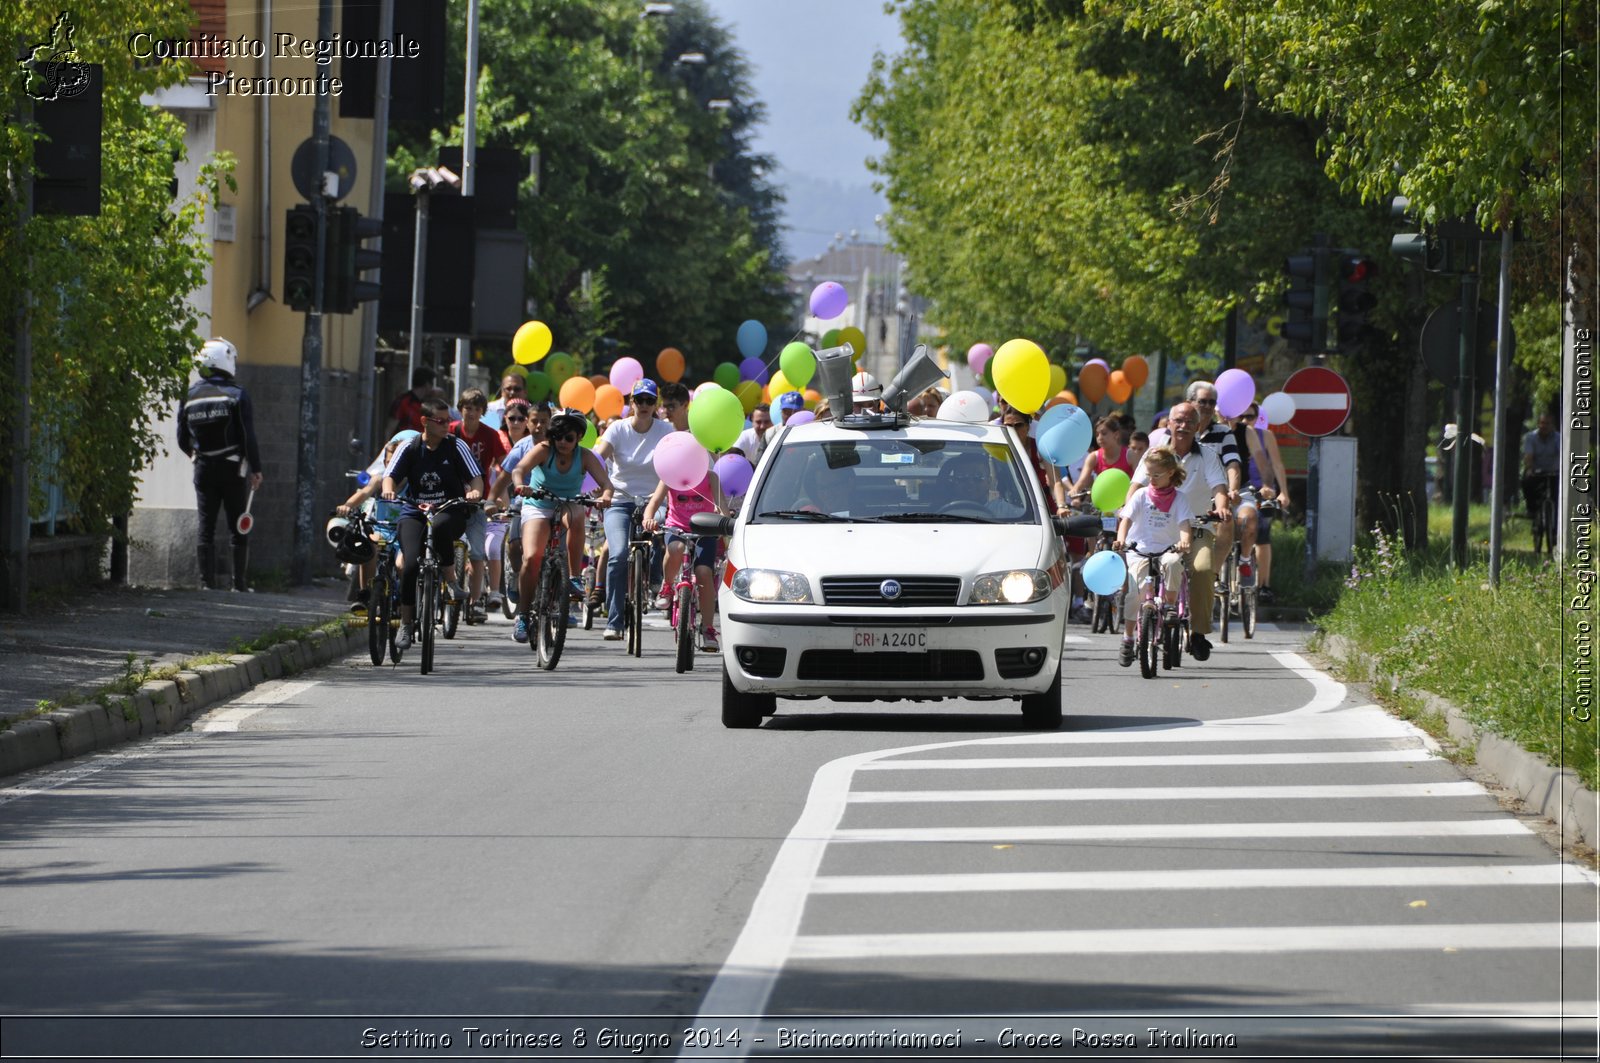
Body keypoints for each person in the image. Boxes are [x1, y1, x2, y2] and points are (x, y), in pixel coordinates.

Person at [1127, 401, 1229, 660]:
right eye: (1178, 421)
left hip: (1195, 527)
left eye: (1189, 422)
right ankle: (1139, 626)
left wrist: (1222, 508)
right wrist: (1126, 512)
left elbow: (1219, 488)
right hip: (1156, 529)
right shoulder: (1156, 453)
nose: (1183, 426)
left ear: (1198, 426)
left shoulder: (1207, 455)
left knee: (1203, 568)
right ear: (1169, 423)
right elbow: (1136, 485)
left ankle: (1198, 633)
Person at [381, 397, 483, 657]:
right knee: (410, 565)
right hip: (414, 511)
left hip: (450, 510)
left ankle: (450, 582)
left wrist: (474, 493)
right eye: (441, 421)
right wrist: (390, 491)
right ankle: (405, 624)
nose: (447, 425)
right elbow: (389, 477)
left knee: (439, 527)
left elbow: (476, 478)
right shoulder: (410, 447)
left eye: (448, 420)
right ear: (424, 422)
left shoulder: (456, 446)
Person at [508, 409, 613, 644]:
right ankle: (523, 615)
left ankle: (574, 577)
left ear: (578, 438)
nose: (563, 442)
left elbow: (607, 483)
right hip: (538, 504)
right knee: (532, 557)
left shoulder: (585, 457)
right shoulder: (544, 450)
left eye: (569, 438)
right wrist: (519, 485)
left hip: (569, 503)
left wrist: (606, 496)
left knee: (576, 515)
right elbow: (519, 470)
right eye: (559, 436)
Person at [176, 338, 264, 592]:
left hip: (203, 468)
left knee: (207, 525)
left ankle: (206, 583)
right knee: (238, 525)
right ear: (224, 359)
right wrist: (256, 469)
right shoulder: (237, 395)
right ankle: (239, 584)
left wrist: (195, 454)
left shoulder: (189, 396)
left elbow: (183, 437)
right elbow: (248, 436)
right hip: (232, 469)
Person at [593, 379, 674, 641]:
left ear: (656, 404)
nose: (645, 405)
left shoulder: (666, 430)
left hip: (654, 502)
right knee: (616, 555)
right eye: (640, 400)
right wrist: (597, 485)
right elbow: (596, 458)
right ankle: (614, 621)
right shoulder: (617, 429)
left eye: (650, 400)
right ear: (632, 403)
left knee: (660, 531)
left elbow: (678, 460)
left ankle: (654, 578)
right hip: (620, 500)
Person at [1113, 446, 1196, 667]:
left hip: (1166, 550)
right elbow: (1127, 520)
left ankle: (1169, 605)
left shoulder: (1180, 499)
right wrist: (1121, 539)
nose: (1152, 479)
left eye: (1156, 475)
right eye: (1149, 475)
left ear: (1170, 472)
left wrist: (1185, 541)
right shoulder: (1141, 495)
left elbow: (1185, 525)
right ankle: (1129, 637)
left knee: (1172, 563)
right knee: (1133, 595)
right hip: (1139, 550)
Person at [644, 454, 726, 652]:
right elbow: (654, 502)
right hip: (676, 528)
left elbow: (723, 507)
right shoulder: (669, 477)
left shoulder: (711, 477)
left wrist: (725, 519)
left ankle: (708, 629)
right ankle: (667, 585)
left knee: (704, 573)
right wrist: (648, 518)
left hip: (705, 528)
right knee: (676, 549)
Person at [335, 429, 420, 609]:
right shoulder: (379, 480)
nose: (393, 467)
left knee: (401, 564)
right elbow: (364, 493)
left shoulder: (414, 481)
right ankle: (364, 593)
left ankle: (405, 598)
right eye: (389, 462)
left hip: (404, 531)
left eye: (397, 462)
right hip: (381, 529)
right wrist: (348, 506)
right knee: (368, 547)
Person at [450, 388, 509, 622]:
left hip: (479, 499)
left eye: (476, 409)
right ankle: (442, 592)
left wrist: (500, 492)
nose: (471, 413)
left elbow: (502, 465)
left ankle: (475, 603)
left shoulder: (490, 435)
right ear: (460, 409)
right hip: (451, 496)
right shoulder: (452, 432)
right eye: (467, 408)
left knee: (477, 552)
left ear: (482, 412)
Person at [1232, 402, 1291, 603]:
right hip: (1235, 489)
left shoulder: (1265, 436)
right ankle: (1230, 584)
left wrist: (1282, 492)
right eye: (1242, 417)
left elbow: (1276, 463)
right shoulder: (1231, 434)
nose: (1245, 421)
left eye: (1250, 417)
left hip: (1261, 491)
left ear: (1258, 418)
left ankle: (1264, 585)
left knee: (1263, 535)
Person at [1070, 414, 1135, 501]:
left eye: (1104, 433)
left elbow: (1138, 481)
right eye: (1097, 434)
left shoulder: (1130, 455)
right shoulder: (1093, 457)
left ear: (1116, 435)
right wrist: (1075, 490)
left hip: (1126, 504)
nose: (1100, 438)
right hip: (1102, 503)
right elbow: (1082, 481)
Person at [1522, 412, 1559, 557]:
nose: (1544, 426)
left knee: (1557, 497)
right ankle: (1532, 509)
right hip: (1537, 472)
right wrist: (1530, 469)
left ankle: (1555, 528)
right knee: (1526, 481)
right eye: (1542, 423)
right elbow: (1528, 457)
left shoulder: (1558, 438)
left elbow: (1562, 454)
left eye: (1547, 423)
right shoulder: (1531, 438)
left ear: (1552, 425)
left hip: (1554, 473)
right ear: (1538, 424)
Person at [388, 367, 436, 435]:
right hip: (405, 442)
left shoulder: (428, 403)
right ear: (427, 384)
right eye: (431, 384)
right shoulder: (403, 402)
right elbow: (390, 429)